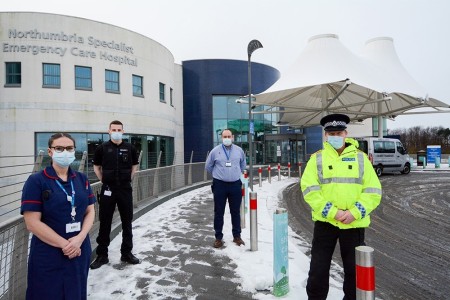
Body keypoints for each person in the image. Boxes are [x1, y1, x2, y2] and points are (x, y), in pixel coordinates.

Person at [300, 114, 382, 300]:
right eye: (331, 133)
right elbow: (310, 189)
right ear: (326, 136)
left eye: (338, 132)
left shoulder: (361, 158)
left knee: (354, 271)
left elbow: (373, 191)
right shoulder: (317, 159)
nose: (335, 136)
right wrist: (333, 212)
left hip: (353, 224)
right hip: (325, 222)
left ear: (346, 133)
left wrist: (354, 213)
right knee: (318, 269)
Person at [21, 133, 96, 300]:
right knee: (47, 293)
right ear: (50, 151)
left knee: (76, 292)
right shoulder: (36, 181)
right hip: (49, 253)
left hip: (79, 250)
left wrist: (79, 239)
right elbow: (32, 223)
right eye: (59, 148)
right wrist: (65, 245)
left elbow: (90, 211)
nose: (65, 152)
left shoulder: (82, 179)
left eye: (69, 148)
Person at [90, 120, 140, 269]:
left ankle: (126, 253)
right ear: (109, 131)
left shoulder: (130, 148)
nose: (117, 131)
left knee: (127, 222)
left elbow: (134, 166)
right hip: (108, 190)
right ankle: (102, 255)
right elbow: (96, 167)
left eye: (119, 129)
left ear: (123, 131)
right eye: (114, 129)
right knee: (105, 222)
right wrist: (104, 180)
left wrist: (127, 180)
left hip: (125, 189)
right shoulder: (102, 148)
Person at [205, 129, 247, 248]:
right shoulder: (215, 151)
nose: (227, 138)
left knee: (235, 212)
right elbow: (208, 166)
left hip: (235, 185)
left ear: (232, 137)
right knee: (219, 212)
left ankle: (237, 236)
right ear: (221, 138)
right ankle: (218, 238)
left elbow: (243, 165)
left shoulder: (239, 151)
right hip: (219, 185)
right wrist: (218, 174)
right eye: (225, 136)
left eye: (229, 136)